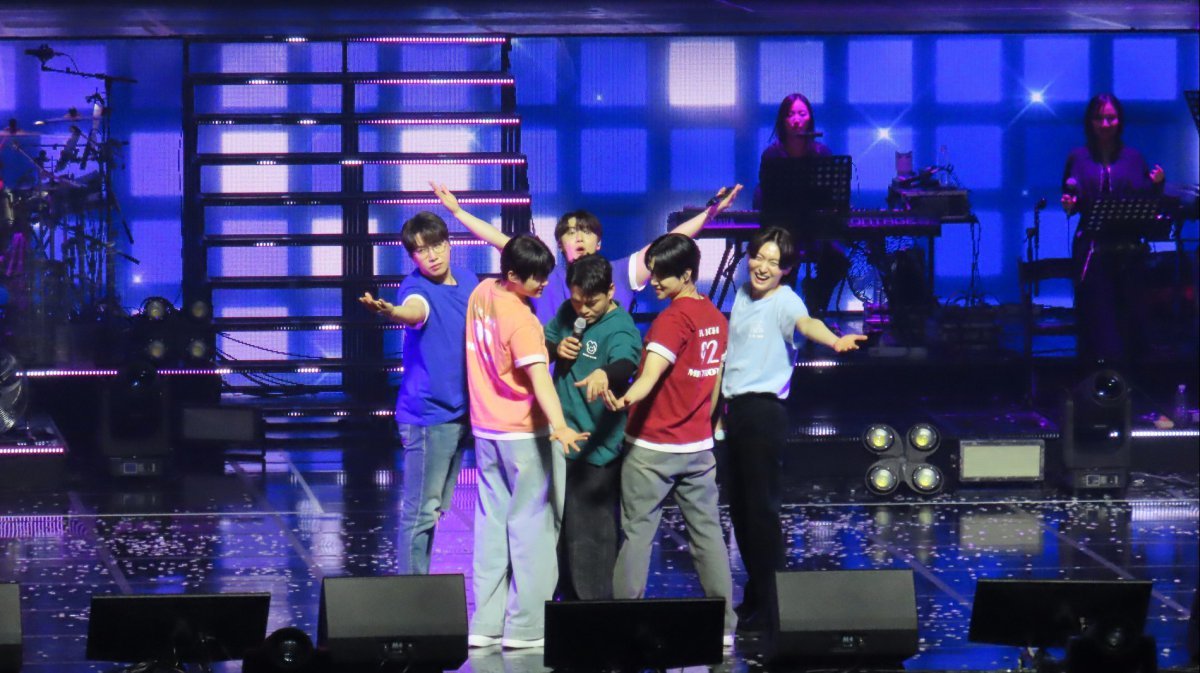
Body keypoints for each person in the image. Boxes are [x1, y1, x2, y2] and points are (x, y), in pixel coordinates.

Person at [719, 226, 867, 633]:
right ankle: (757, 595)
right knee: (741, 511)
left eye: (773, 262)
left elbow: (806, 322)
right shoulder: (743, 294)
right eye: (758, 258)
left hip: (763, 413)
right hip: (736, 411)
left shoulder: (786, 300)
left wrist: (835, 341)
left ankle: (772, 603)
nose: (763, 267)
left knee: (761, 512)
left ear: (786, 269)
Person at [601, 233, 736, 648]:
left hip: (652, 449)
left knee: (637, 535)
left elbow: (649, 376)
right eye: (653, 272)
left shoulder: (672, 320)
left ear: (687, 274)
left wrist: (623, 400)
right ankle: (725, 628)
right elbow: (714, 385)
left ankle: (624, 627)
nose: (654, 281)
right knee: (708, 536)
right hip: (698, 449)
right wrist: (708, 429)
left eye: (662, 275)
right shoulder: (716, 318)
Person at [464, 234, 588, 650]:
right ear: (513, 274)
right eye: (536, 278)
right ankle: (526, 628)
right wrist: (561, 426)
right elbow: (540, 381)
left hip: (486, 432)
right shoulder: (522, 321)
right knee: (533, 529)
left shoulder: (483, 292)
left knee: (492, 528)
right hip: (524, 435)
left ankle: (485, 624)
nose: (544, 284)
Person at [431, 181, 743, 323]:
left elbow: (667, 243)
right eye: (570, 232)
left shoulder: (620, 273)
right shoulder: (545, 277)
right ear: (559, 244)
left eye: (586, 231)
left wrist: (711, 214)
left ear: (599, 243)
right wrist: (458, 212)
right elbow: (502, 241)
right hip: (556, 393)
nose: (578, 237)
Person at [358, 212, 478, 575]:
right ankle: (410, 589)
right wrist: (393, 311)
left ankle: (417, 585)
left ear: (449, 244)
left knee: (435, 507)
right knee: (420, 511)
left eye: (437, 245)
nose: (432, 256)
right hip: (427, 416)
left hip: (461, 412)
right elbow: (415, 311)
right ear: (412, 257)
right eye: (421, 251)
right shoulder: (415, 288)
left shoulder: (469, 280)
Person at [544, 254, 642, 600]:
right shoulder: (568, 313)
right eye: (577, 301)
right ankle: (564, 602)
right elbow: (543, 345)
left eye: (592, 302)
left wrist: (605, 373)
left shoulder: (620, 326)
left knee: (591, 539)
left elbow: (626, 362)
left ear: (611, 291)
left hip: (596, 451)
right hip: (562, 440)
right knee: (562, 533)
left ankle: (595, 609)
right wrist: (556, 348)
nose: (583, 310)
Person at [1061, 92, 1165, 369]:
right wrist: (1070, 204)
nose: (1105, 124)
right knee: (1097, 315)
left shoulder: (1133, 158)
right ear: (1090, 122)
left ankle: (1130, 379)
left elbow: (1146, 200)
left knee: (1130, 316)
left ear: (1120, 120)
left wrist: (1157, 184)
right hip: (1092, 248)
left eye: (1111, 118)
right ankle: (1096, 378)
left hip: (1128, 249)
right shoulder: (1078, 158)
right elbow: (1071, 196)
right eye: (1099, 118)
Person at [754, 92, 848, 316]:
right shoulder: (772, 155)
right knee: (785, 259)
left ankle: (816, 302)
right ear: (783, 120)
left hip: (814, 227)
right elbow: (767, 198)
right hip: (782, 227)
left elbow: (832, 196)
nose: (796, 119)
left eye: (802, 114)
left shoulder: (821, 153)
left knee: (837, 259)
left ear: (810, 118)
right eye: (791, 114)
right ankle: (783, 314)